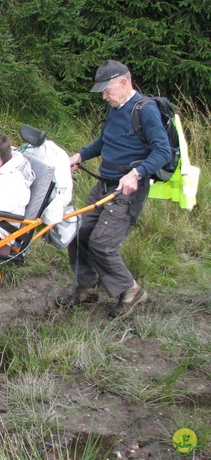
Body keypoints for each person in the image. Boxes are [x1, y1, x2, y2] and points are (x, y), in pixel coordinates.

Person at [56, 59, 171, 318]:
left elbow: (162, 151)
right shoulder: (115, 107)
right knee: (77, 233)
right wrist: (80, 156)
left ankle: (131, 291)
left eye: (107, 90)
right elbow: (104, 140)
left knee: (102, 244)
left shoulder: (146, 110)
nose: (104, 96)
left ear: (124, 82)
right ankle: (86, 288)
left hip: (127, 191)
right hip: (104, 184)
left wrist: (137, 173)